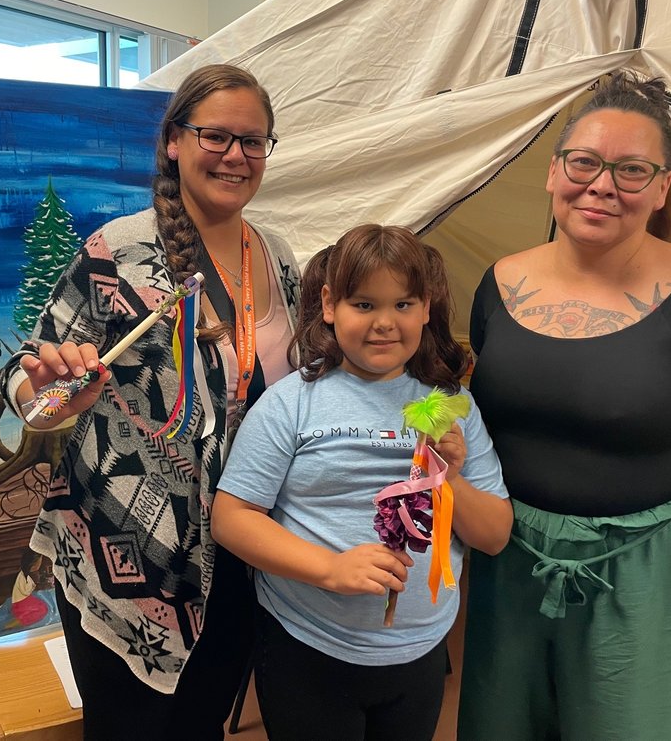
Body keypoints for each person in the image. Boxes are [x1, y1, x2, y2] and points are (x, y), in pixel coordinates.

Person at [457, 72, 671, 740]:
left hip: (645, 568)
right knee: (506, 721)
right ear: (554, 173)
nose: (602, 184)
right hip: (514, 558)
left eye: (631, 170)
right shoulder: (499, 283)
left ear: (663, 185)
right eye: (584, 162)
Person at [0, 64, 302, 740]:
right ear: (173, 140)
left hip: (240, 545)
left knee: (202, 721)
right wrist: (52, 397)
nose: (235, 156)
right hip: (127, 552)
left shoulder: (278, 257)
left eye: (253, 142)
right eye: (215, 135)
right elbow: (27, 390)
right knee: (132, 729)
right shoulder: (115, 254)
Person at [213, 224, 512, 741]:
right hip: (307, 646)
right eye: (364, 304)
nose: (384, 324)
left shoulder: (451, 409)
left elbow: (494, 535)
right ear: (330, 305)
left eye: (403, 305)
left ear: (426, 308)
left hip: (419, 652)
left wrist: (449, 480)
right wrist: (330, 568)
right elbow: (231, 519)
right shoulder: (292, 403)